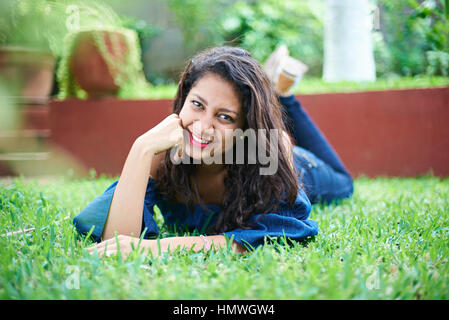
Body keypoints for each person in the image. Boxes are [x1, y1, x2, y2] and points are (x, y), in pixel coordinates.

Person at [74, 46, 353, 258]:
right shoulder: (162, 151)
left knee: (344, 183)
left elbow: (281, 234)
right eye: (197, 104)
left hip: (298, 167)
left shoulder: (269, 150)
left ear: (246, 125)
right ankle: (273, 92)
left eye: (225, 117)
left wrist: (160, 248)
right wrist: (141, 149)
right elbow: (118, 243)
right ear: (183, 99)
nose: (203, 127)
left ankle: (283, 95)